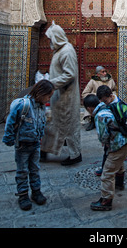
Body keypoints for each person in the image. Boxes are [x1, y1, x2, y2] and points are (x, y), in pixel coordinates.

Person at [2, 80, 54, 211]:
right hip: (22, 145)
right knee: (22, 171)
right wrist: (8, 138)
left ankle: (36, 192)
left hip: (35, 143)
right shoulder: (22, 104)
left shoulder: (41, 106)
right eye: (48, 96)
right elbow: (10, 121)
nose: (49, 99)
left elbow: (41, 122)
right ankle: (23, 195)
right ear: (41, 93)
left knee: (34, 169)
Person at [83, 86, 127, 211]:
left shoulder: (100, 115)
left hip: (119, 144)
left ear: (89, 108)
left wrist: (106, 143)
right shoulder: (112, 105)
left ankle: (106, 201)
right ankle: (119, 183)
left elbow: (103, 136)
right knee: (119, 161)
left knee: (107, 172)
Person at [40, 21, 82, 166]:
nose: (49, 41)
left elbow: (70, 74)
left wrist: (52, 84)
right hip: (58, 96)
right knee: (54, 123)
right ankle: (44, 150)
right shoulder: (60, 50)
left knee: (69, 125)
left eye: (50, 38)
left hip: (66, 97)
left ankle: (75, 154)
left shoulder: (66, 51)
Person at [81, 66, 116, 131]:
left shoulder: (110, 80)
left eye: (105, 71)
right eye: (103, 72)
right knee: (91, 103)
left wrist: (112, 96)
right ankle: (92, 121)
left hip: (107, 100)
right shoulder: (93, 81)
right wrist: (96, 96)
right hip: (97, 100)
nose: (105, 73)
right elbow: (84, 93)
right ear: (98, 74)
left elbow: (114, 90)